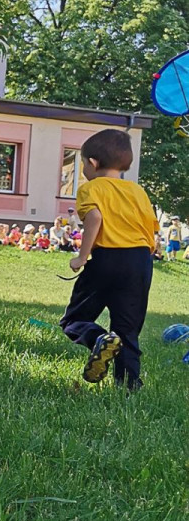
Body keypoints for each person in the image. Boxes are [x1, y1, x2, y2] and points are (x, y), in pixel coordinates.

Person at [61, 128, 158, 390]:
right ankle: (129, 386)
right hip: (139, 261)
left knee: (74, 320)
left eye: (83, 164)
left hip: (107, 258)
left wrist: (82, 257)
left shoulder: (91, 188)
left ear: (93, 163)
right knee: (128, 329)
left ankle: (98, 339)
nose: (84, 169)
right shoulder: (138, 191)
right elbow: (151, 230)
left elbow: (94, 218)